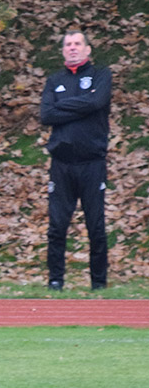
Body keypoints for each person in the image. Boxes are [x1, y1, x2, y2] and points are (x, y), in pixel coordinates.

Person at [40, 30, 111, 291]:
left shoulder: (101, 75)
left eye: (77, 44)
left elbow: (97, 102)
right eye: (68, 44)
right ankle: (55, 282)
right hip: (61, 164)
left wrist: (64, 107)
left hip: (92, 163)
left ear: (88, 49)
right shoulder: (54, 80)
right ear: (62, 50)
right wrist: (82, 104)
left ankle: (99, 283)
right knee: (57, 227)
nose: (72, 48)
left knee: (96, 226)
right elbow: (46, 115)